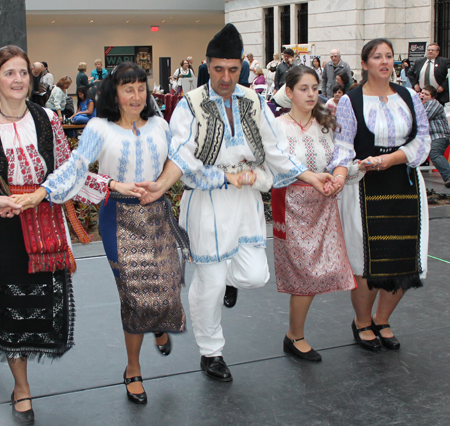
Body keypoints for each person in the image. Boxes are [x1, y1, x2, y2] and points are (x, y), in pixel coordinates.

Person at [136, 24, 335, 382]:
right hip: (209, 200)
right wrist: (170, 185)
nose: (226, 77)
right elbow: (181, 156)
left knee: (255, 275)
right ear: (207, 66)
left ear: (241, 67)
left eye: (233, 69)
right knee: (209, 282)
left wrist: (310, 176)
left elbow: (275, 151)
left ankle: (223, 279)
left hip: (245, 199)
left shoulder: (254, 100)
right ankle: (211, 352)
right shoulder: (189, 104)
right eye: (218, 69)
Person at [17, 62, 188, 405]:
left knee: (165, 286)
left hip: (157, 214)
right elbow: (76, 167)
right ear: (115, 92)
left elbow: (181, 158)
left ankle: (156, 323)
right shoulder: (99, 128)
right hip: (118, 216)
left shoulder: (159, 125)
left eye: (141, 88)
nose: (136, 96)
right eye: (128, 89)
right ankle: (133, 368)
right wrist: (42, 192)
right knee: (134, 294)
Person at [0, 45, 90, 425]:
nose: (18, 80)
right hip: (0, 227)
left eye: (23, 73)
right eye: (9, 73)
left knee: (41, 303)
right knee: (7, 308)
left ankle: (19, 358)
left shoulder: (48, 119)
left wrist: (48, 192)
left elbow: (67, 168)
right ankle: (22, 386)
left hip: (43, 220)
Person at [330, 38, 430, 352]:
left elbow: (423, 138)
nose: (384, 62)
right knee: (366, 263)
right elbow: (342, 148)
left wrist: (390, 159)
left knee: (403, 258)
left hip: (405, 184)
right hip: (364, 186)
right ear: (365, 63)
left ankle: (383, 318)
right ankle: (362, 322)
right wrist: (346, 171)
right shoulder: (351, 100)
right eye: (377, 57)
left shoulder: (409, 96)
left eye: (388, 56)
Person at [273, 66, 356, 362]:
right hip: (293, 205)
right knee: (304, 272)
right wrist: (311, 178)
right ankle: (295, 336)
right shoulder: (277, 126)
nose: (311, 94)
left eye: (314, 88)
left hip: (324, 204)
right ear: (289, 91)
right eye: (304, 88)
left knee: (321, 270)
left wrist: (338, 175)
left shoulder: (326, 124)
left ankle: (295, 334)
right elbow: (275, 167)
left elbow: (340, 158)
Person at [420, 84, 450, 187]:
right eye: (422, 92)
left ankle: (448, 175)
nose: (422, 95)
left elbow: (424, 118)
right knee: (435, 154)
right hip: (431, 137)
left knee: (435, 153)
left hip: (440, 135)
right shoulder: (421, 105)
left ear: (432, 97)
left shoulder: (433, 103)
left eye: (426, 94)